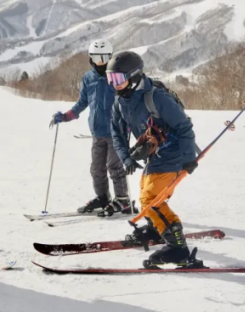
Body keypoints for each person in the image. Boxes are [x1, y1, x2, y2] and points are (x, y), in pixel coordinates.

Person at [106, 51, 199, 266]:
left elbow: (183, 127)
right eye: (111, 79)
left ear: (135, 76)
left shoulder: (157, 98)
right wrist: (126, 158)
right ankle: (157, 230)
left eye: (118, 79)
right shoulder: (120, 102)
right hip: (155, 156)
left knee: (151, 201)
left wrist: (188, 158)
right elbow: (117, 134)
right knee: (146, 192)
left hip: (173, 155)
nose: (114, 85)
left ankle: (178, 249)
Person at [49, 39, 133, 216]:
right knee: (96, 169)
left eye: (104, 57)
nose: (100, 61)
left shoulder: (118, 76)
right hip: (97, 131)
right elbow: (83, 102)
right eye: (96, 57)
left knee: (114, 167)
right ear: (91, 58)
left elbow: (129, 100)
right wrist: (66, 116)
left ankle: (123, 200)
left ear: (110, 57)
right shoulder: (89, 78)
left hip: (116, 131)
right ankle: (103, 197)